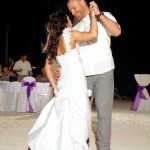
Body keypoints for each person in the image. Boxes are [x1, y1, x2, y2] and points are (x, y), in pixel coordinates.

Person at [28, 3, 98, 149]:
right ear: (64, 22)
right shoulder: (69, 34)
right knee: (78, 113)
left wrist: (55, 87)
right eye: (68, 18)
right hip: (76, 81)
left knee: (63, 114)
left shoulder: (52, 40)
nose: (70, 19)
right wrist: (92, 16)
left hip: (63, 82)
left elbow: (47, 67)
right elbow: (93, 34)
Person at [54, 0, 121, 150]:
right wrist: (61, 69)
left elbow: (117, 32)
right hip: (82, 77)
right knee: (81, 115)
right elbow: (69, 55)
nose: (72, 11)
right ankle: (82, 145)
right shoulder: (75, 28)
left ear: (81, 2)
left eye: (73, 7)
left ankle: (104, 147)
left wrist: (99, 15)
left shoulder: (105, 16)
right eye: (69, 10)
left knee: (104, 116)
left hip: (104, 73)